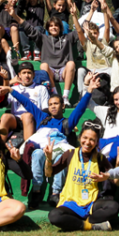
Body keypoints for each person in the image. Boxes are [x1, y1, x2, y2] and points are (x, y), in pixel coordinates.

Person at [14, 79, 94, 209]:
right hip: (43, 150)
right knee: (37, 153)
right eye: (50, 104)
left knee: (60, 156)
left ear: (63, 106)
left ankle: (55, 193)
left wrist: (89, 90)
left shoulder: (67, 122)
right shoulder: (42, 118)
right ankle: (36, 190)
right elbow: (27, 103)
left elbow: (80, 109)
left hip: (57, 151)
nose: (53, 106)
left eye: (56, 103)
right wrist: (11, 90)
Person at [46, 121, 119, 231]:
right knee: (54, 216)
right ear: (79, 137)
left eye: (92, 140)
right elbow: (49, 173)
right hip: (71, 204)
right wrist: (48, 159)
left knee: (113, 207)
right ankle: (89, 225)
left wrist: (118, 167)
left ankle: (81, 222)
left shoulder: (100, 158)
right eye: (85, 138)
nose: (87, 142)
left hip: (92, 205)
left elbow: (116, 182)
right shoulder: (70, 154)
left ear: (97, 142)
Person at [8, 3, 77, 106]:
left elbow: (80, 31)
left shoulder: (67, 37)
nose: (54, 28)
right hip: (50, 73)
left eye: (56, 26)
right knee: (43, 65)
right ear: (48, 28)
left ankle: (65, 97)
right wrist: (14, 16)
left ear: (60, 28)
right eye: (51, 26)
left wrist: (75, 15)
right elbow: (28, 27)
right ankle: (54, 93)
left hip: (64, 72)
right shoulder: (44, 38)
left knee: (71, 63)